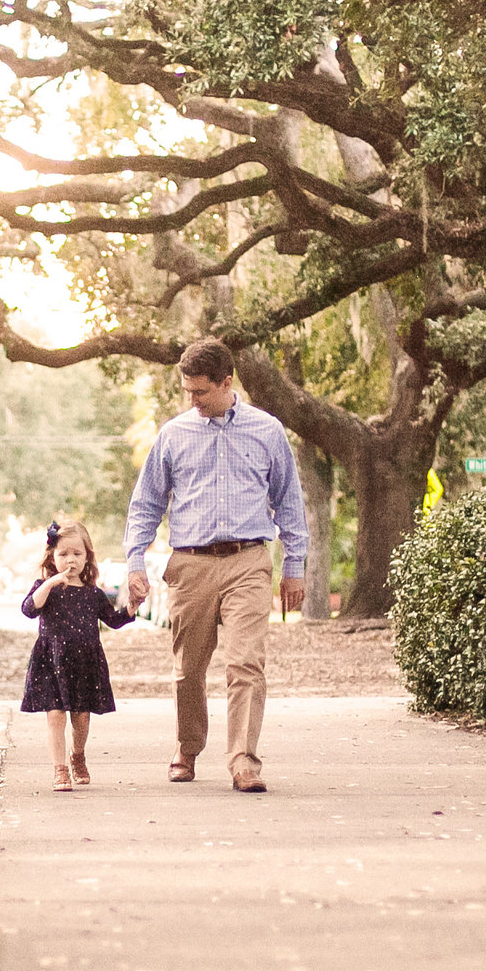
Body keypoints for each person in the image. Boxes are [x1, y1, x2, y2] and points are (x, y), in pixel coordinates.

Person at [122, 336, 308, 793]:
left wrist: (295, 564)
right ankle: (188, 747)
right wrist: (135, 562)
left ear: (227, 383)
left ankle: (243, 760)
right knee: (189, 669)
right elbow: (146, 503)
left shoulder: (267, 431)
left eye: (200, 391)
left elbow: (289, 502)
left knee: (246, 663)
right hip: (191, 564)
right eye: (187, 391)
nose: (192, 399)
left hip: (248, 561)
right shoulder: (173, 434)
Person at [21, 519, 135, 791]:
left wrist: (132, 607)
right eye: (63, 554)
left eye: (77, 554)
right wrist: (50, 583)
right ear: (52, 557)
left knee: (81, 718)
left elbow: (114, 620)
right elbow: (28, 609)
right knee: (55, 715)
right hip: (52, 661)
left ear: (87, 557)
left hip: (85, 663)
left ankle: (77, 755)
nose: (70, 560)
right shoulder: (44, 587)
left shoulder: (93, 594)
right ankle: (60, 769)